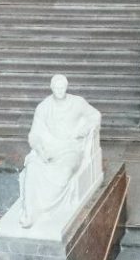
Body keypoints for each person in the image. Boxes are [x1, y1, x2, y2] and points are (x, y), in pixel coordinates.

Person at [18, 74, 101, 229]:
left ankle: (47, 210)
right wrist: (40, 149)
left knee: (64, 172)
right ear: (51, 88)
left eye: (62, 87)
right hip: (49, 149)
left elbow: (95, 116)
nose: (60, 90)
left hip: (71, 148)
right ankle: (30, 213)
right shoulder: (43, 107)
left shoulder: (77, 103)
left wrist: (84, 130)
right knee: (33, 168)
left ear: (66, 87)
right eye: (56, 88)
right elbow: (34, 134)